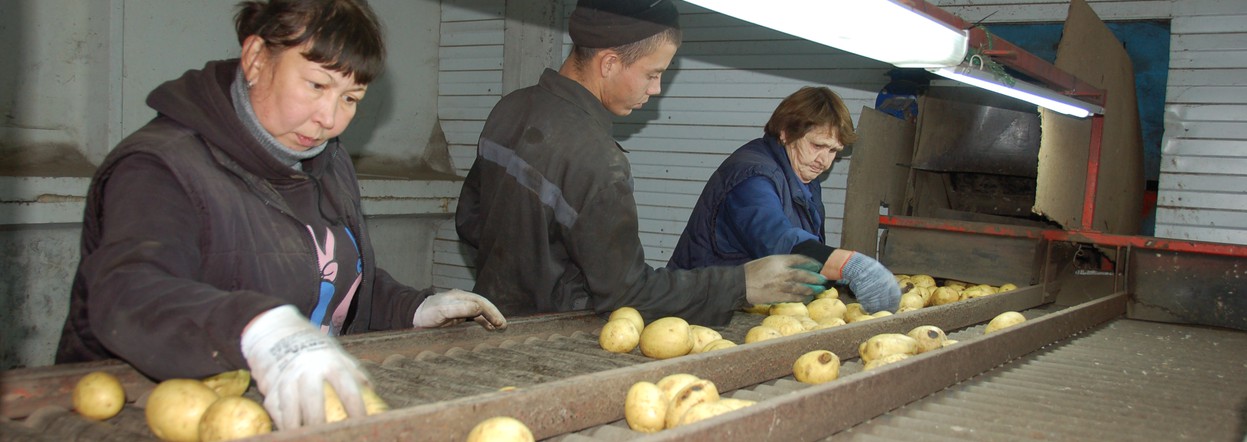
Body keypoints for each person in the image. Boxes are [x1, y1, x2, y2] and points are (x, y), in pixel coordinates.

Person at [55, 0, 506, 430]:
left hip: (286, 413)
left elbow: (327, 277)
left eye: (351, 98)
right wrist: (257, 330)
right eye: (316, 85)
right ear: (255, 58)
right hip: (145, 413)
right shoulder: (160, 166)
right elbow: (129, 292)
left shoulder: (325, 160)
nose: (329, 119)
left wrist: (412, 307)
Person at [455, 0, 825, 328]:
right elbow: (627, 294)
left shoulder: (510, 108)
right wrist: (742, 284)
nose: (656, 89)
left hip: (492, 320)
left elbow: (470, 221)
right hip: (550, 337)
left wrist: (528, 271)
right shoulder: (597, 158)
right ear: (610, 63)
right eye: (653, 73)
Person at [667, 87, 901, 313]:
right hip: (697, 309)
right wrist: (851, 266)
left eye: (833, 151)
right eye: (818, 145)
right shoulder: (751, 176)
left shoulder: (801, 172)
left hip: (745, 308)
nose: (825, 161)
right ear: (786, 133)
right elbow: (779, 241)